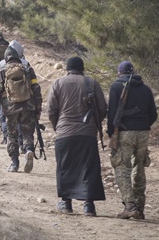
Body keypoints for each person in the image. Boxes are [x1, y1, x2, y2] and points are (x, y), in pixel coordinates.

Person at [47, 56, 107, 216]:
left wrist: (57, 126)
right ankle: (89, 206)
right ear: (82, 68)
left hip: (64, 132)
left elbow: (51, 110)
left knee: (65, 167)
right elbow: (102, 108)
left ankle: (66, 203)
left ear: (67, 69)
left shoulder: (57, 83)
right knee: (89, 168)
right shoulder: (91, 83)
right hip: (87, 134)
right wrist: (93, 124)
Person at [107, 61, 158, 220]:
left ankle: (130, 206)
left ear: (119, 73)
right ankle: (140, 208)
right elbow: (154, 115)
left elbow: (112, 114)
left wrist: (111, 133)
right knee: (140, 168)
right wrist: (142, 125)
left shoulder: (116, 87)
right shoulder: (146, 88)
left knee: (122, 167)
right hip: (143, 133)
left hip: (124, 132)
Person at [0, 44, 42, 173]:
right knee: (27, 132)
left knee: (12, 135)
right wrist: (38, 109)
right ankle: (29, 150)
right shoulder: (27, 68)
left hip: (10, 108)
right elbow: (36, 89)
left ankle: (14, 163)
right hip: (27, 106)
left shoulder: (2, 70)